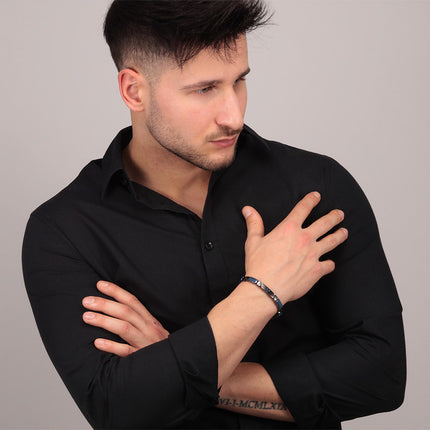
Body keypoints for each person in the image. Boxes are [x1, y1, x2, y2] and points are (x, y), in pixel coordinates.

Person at [22, 1, 406, 429]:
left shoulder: (316, 186)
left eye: (239, 81)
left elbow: (382, 378)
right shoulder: (65, 231)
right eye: (204, 89)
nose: (234, 116)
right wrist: (262, 292)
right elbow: (118, 411)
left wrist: (176, 360)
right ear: (134, 91)